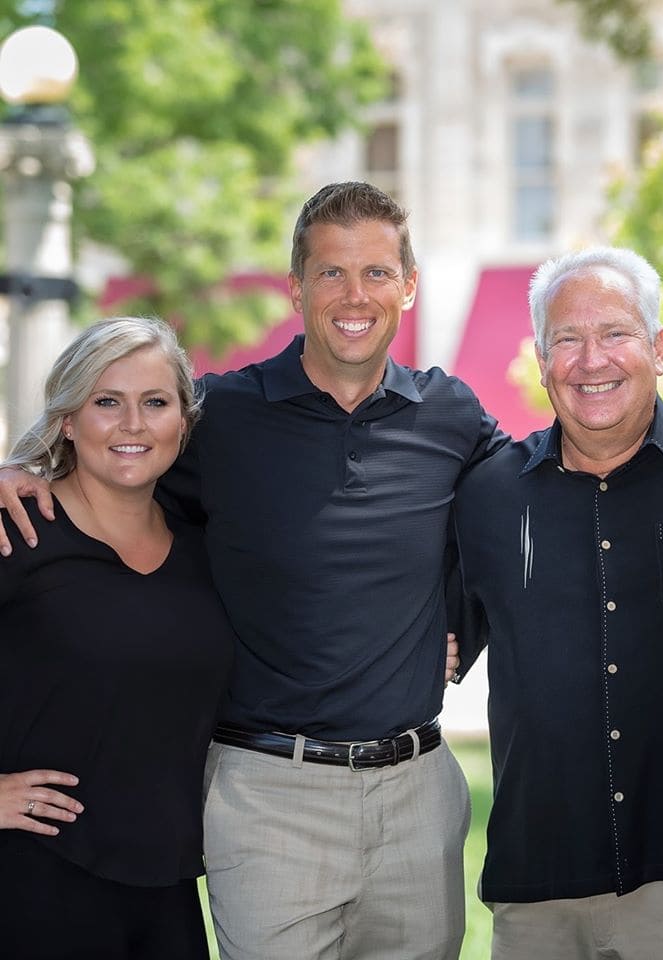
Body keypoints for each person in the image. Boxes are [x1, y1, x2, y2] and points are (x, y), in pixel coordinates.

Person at [0, 182, 499, 960]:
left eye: (375, 272)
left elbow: (537, 495)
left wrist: (461, 628)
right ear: (296, 289)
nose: (354, 295)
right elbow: (117, 448)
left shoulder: (453, 415)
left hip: (417, 794)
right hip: (269, 794)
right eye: (331, 273)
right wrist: (18, 465)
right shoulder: (219, 417)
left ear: (409, 286)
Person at [449, 246, 663, 960]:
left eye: (615, 333)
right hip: (540, 892)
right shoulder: (489, 493)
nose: (592, 360)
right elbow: (428, 634)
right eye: (567, 339)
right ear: (540, 358)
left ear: (657, 347)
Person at [0, 317, 234, 959]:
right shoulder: (15, 534)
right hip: (33, 884)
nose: (133, 423)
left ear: (182, 423)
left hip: (168, 891)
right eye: (107, 401)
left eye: (155, 402)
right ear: (68, 420)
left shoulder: (204, 551)